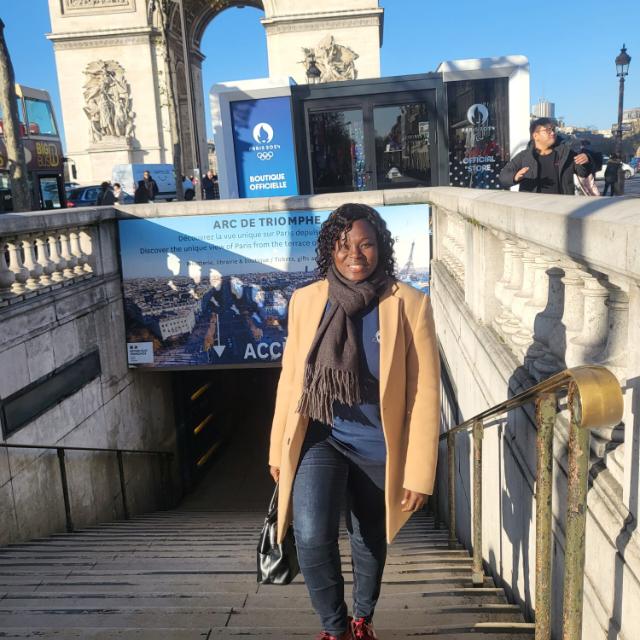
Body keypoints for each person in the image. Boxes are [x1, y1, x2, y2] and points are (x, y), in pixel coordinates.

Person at [268, 203, 441, 640]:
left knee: (368, 537)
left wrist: (420, 472)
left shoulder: (410, 305)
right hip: (322, 435)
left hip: (378, 443)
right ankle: (335, 629)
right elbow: (291, 378)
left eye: (366, 244)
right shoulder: (306, 301)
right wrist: (277, 448)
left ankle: (363, 617)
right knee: (311, 534)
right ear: (331, 249)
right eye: (344, 245)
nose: (355, 255)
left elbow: (424, 394)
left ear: (381, 247)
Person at [499, 118, 592, 194]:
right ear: (535, 136)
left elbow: (583, 173)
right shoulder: (524, 156)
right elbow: (503, 176)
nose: (552, 133)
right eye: (547, 130)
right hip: (532, 207)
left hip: (562, 207)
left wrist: (586, 161)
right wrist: (515, 177)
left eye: (553, 129)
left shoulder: (566, 153)